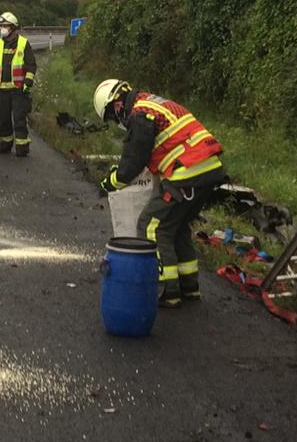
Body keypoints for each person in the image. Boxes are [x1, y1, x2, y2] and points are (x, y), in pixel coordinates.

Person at [94, 78, 225, 308]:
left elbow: (133, 161)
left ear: (116, 105)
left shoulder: (140, 114)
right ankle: (189, 287)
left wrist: (110, 182)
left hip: (187, 171)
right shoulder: (153, 104)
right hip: (208, 169)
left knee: (151, 225)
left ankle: (166, 290)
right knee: (177, 226)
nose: (118, 122)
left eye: (113, 118)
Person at [0, 11, 36, 156]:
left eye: (5, 26)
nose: (2, 28)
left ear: (13, 27)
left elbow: (31, 65)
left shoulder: (23, 44)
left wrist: (27, 83)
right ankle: (5, 144)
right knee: (3, 120)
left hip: (18, 90)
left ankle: (22, 148)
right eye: (1, 26)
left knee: (19, 119)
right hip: (2, 90)